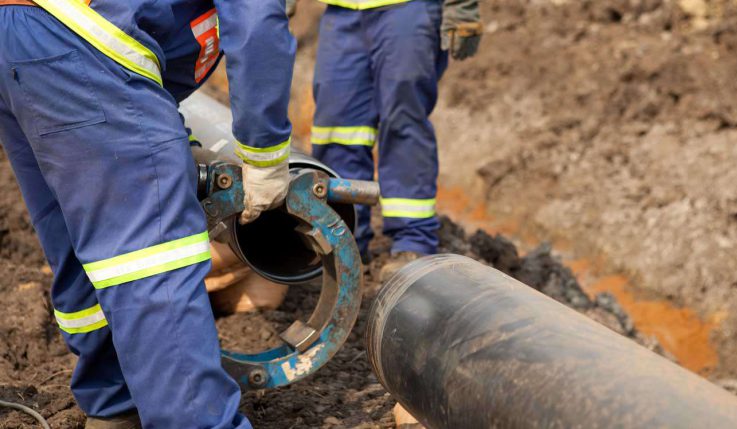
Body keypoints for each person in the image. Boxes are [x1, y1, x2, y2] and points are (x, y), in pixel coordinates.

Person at [0, 0, 295, 427]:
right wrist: (265, 156)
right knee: (153, 260)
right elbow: (256, 25)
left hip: (18, 33)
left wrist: (167, 138)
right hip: (80, 36)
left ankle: (116, 406)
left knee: (78, 242)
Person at [297, 0, 482, 279]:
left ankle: (413, 243)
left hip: (408, 9)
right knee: (336, 128)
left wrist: (462, 7)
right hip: (343, 11)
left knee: (403, 124)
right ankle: (343, 238)